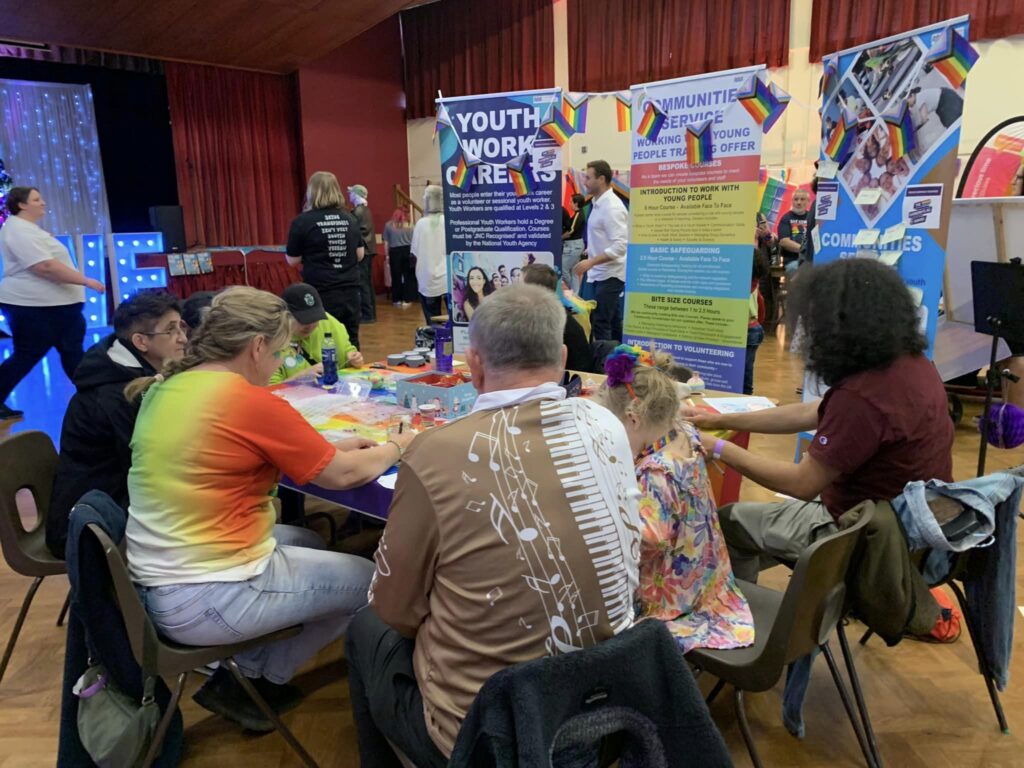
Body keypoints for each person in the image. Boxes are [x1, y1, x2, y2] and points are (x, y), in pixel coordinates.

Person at [345, 285, 642, 766]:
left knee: (365, 627)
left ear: (474, 364)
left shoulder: (433, 452)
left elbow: (395, 609)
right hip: (595, 709)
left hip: (486, 738)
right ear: (564, 356)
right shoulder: (604, 422)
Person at [124, 286, 413, 731]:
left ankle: (246, 677)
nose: (279, 364)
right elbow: (343, 476)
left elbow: (231, 449)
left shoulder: (171, 386)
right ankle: (261, 681)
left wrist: (329, 447)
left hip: (157, 577)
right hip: (204, 593)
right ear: (257, 347)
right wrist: (398, 445)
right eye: (279, 353)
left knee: (308, 539)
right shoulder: (245, 400)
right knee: (374, 585)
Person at [683, 259, 954, 582]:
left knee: (727, 523)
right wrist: (726, 420)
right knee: (750, 524)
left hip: (864, 537)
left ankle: (746, 617)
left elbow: (802, 483)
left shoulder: (863, 397)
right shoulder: (908, 365)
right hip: (911, 527)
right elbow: (814, 411)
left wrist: (716, 448)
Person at [596, 345, 753, 652]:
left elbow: (648, 539)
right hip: (706, 577)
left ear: (633, 419)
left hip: (671, 597)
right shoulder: (684, 434)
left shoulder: (656, 473)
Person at [46, 291, 185, 558]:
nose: (183, 338)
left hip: (115, 499)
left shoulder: (130, 372)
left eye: (181, 327)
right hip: (91, 521)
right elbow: (149, 465)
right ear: (140, 341)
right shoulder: (116, 395)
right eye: (171, 330)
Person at [0, 186, 105, 420]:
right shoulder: (18, 230)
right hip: (35, 308)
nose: (43, 203)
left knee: (72, 352)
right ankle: (95, 399)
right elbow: (44, 266)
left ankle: (95, 400)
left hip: (56, 306)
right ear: (21, 205)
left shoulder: (28, 229)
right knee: (28, 355)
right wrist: (86, 280)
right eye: (36, 199)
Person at [286, 172, 364, 349]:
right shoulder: (350, 219)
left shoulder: (302, 221)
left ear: (311, 192)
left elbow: (292, 260)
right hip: (350, 289)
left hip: (321, 291)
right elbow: (359, 255)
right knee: (350, 340)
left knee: (323, 340)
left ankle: (325, 373)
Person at [575, 160, 628, 341]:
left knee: (601, 322)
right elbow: (603, 236)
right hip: (602, 273)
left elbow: (620, 246)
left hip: (611, 274)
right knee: (611, 321)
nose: (584, 182)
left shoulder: (612, 207)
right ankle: (618, 363)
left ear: (602, 179)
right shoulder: (599, 204)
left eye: (588, 178)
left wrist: (591, 261)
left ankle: (605, 367)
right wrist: (590, 250)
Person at [270, 283, 364, 385]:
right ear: (285, 316)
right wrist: (300, 377)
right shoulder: (270, 339)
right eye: (303, 320)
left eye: (315, 318)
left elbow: (346, 351)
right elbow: (267, 392)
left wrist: (354, 358)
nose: (310, 326)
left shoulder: (328, 323)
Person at [521, 263, 592, 372]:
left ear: (533, 290)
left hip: (567, 379)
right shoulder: (549, 312)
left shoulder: (548, 320)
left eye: (519, 285)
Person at [412, 185, 448, 325]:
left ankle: (435, 345)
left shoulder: (421, 224)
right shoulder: (448, 222)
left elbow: (415, 250)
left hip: (427, 278)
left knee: (432, 321)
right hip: (447, 278)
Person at [349, 183, 377, 323]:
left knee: (363, 284)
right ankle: (371, 313)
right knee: (367, 283)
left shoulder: (357, 212)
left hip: (363, 251)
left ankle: (368, 314)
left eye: (351, 193)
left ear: (355, 195)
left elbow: (357, 232)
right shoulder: (366, 210)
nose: (349, 195)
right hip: (369, 250)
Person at [745, 247, 768, 395]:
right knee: (746, 375)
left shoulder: (743, 281)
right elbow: (761, 303)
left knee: (743, 378)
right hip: (754, 327)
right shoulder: (754, 281)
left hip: (747, 329)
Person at [383, 208, 416, 307]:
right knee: (408, 276)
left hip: (394, 252)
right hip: (408, 250)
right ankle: (408, 299)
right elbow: (414, 241)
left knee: (396, 276)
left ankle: (396, 300)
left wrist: (387, 255)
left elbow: (386, 242)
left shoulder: (388, 225)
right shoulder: (410, 225)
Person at [776, 189, 814, 274]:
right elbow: (784, 242)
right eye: (796, 199)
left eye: (802, 199)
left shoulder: (812, 218)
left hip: (811, 260)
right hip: (793, 261)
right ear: (792, 201)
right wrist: (805, 250)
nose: (799, 202)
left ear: (808, 201)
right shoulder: (786, 218)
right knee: (803, 270)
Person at [561, 193, 586, 293]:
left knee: (563, 268)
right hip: (576, 246)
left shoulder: (578, 214)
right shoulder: (579, 214)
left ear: (576, 203)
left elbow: (571, 230)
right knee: (574, 272)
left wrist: (561, 237)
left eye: (571, 201)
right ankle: (576, 295)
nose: (569, 203)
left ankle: (571, 291)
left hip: (573, 246)